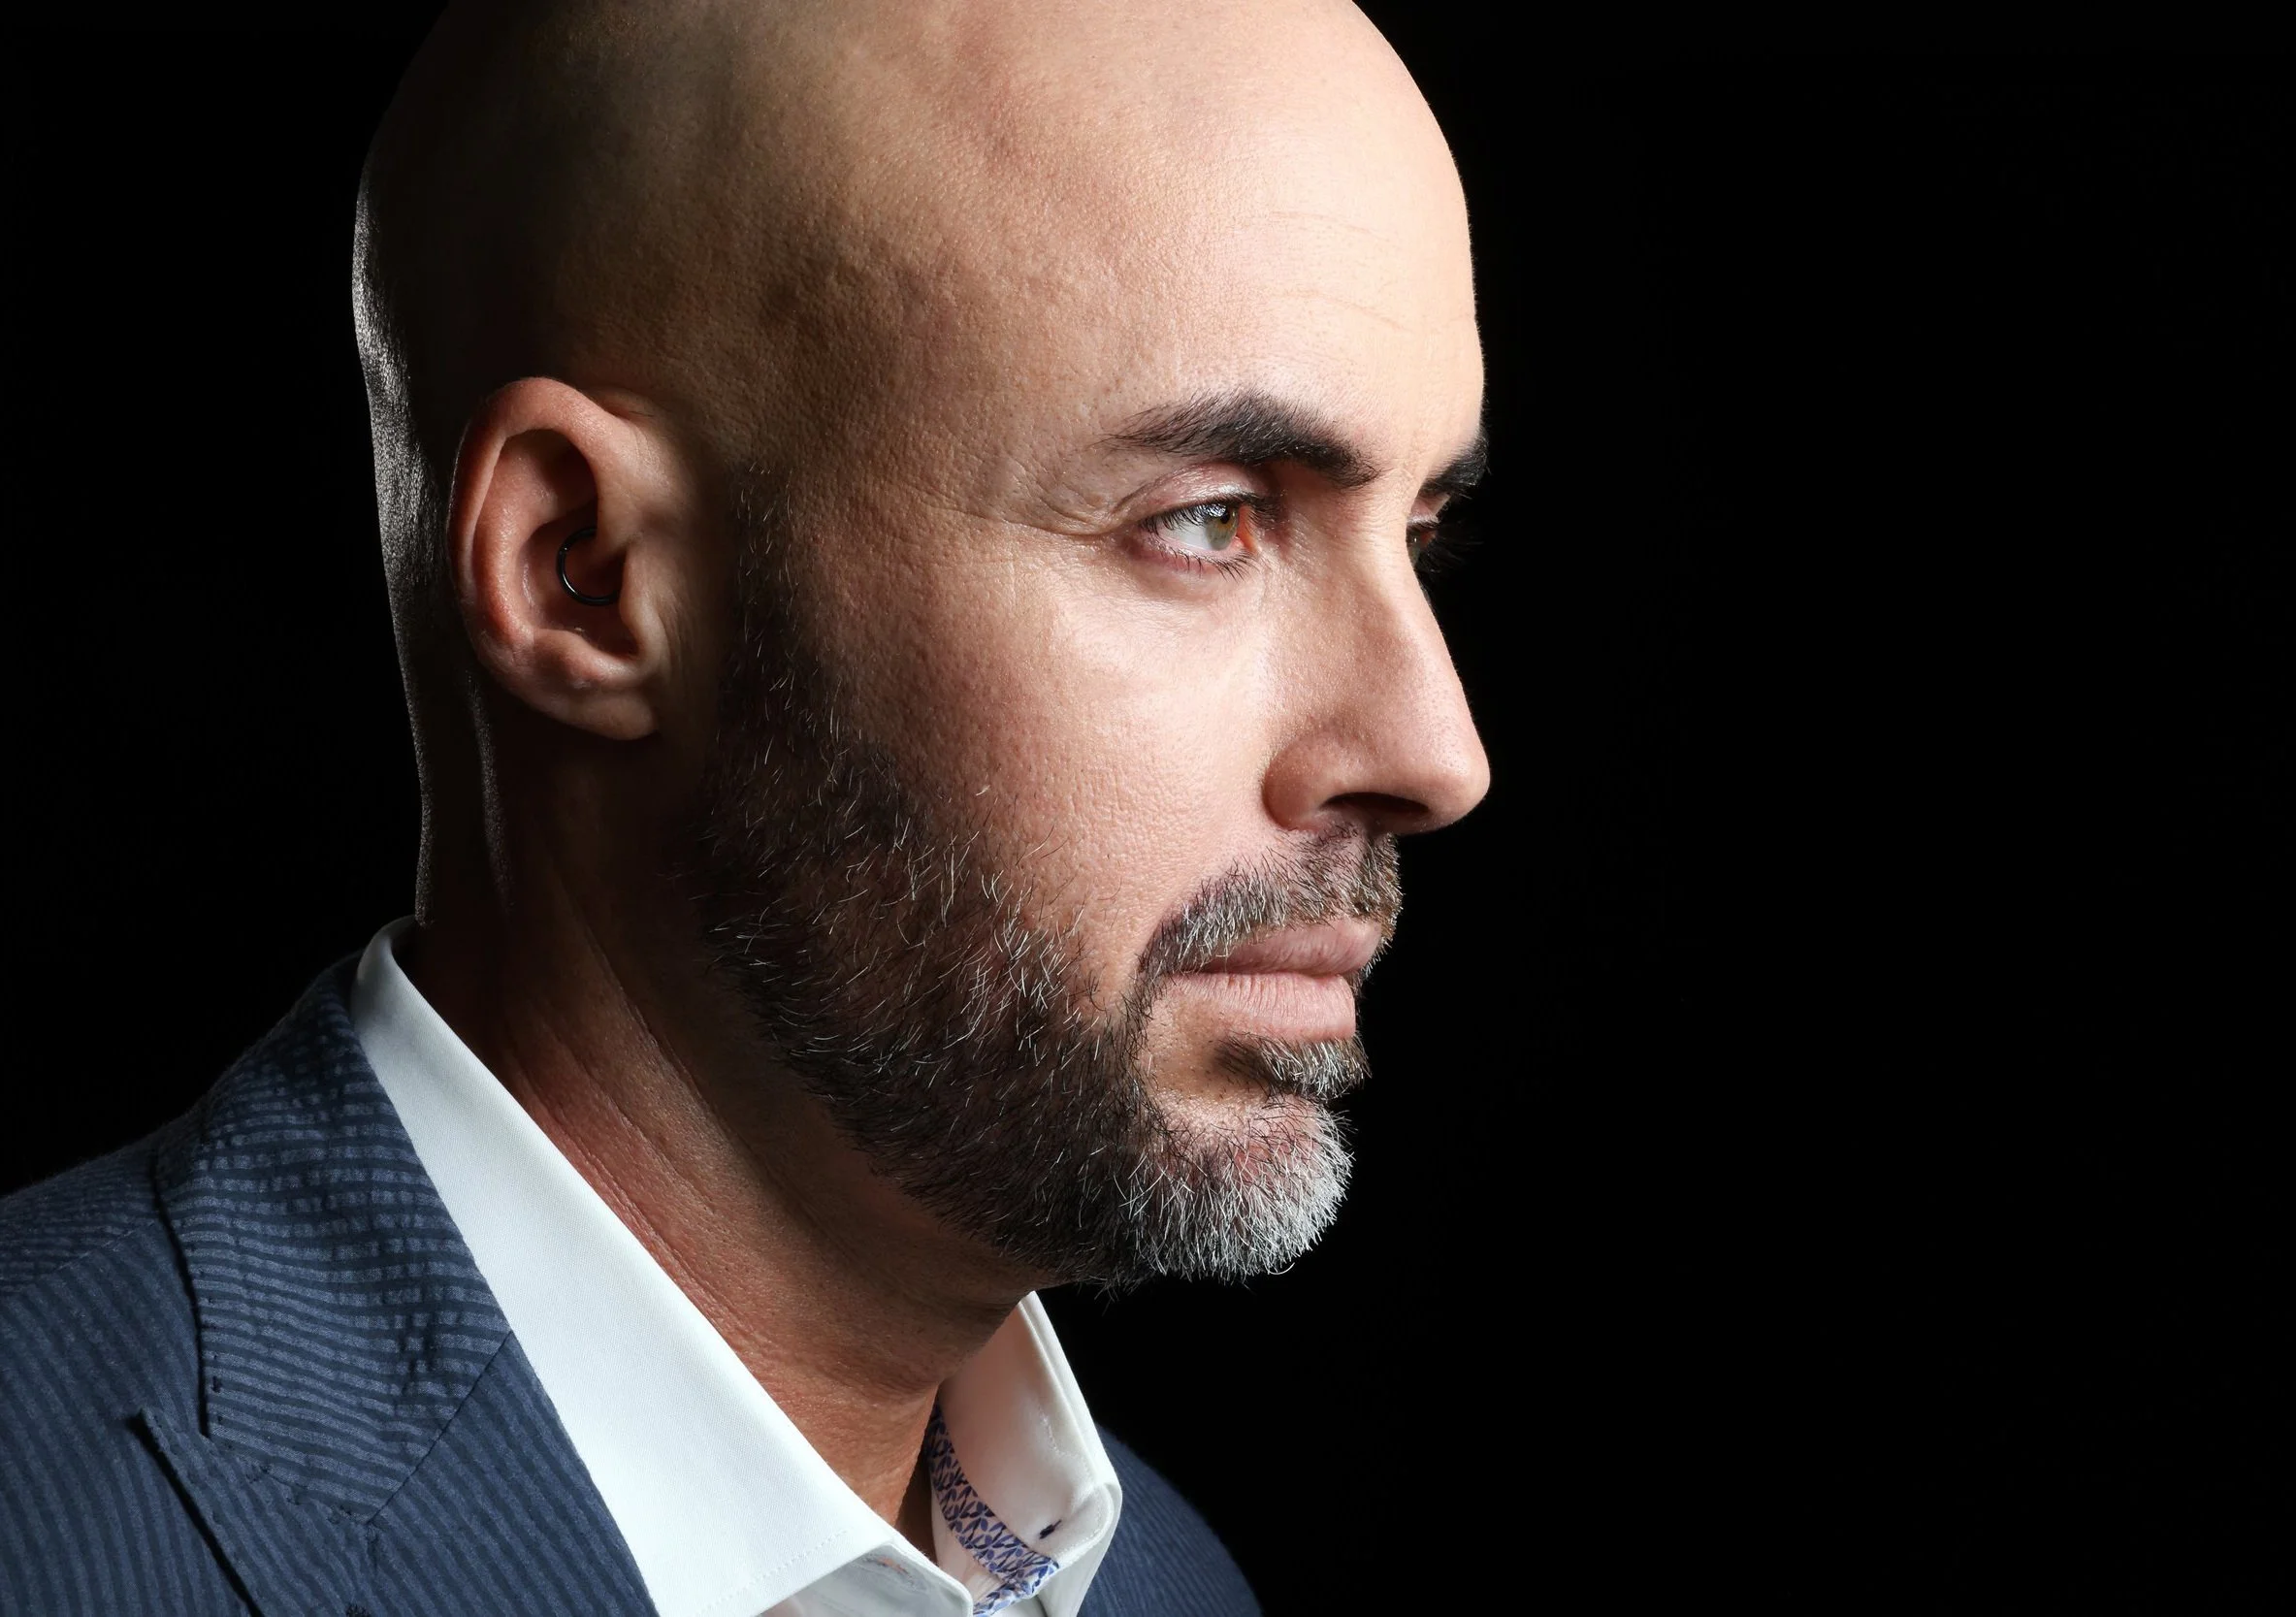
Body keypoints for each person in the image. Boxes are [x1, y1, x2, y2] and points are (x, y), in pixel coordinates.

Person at [0, 0, 1489, 1610]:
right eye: (1208, 521)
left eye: (1421, 531)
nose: (1437, 750)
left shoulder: (1165, 1583)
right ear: (585, 576)